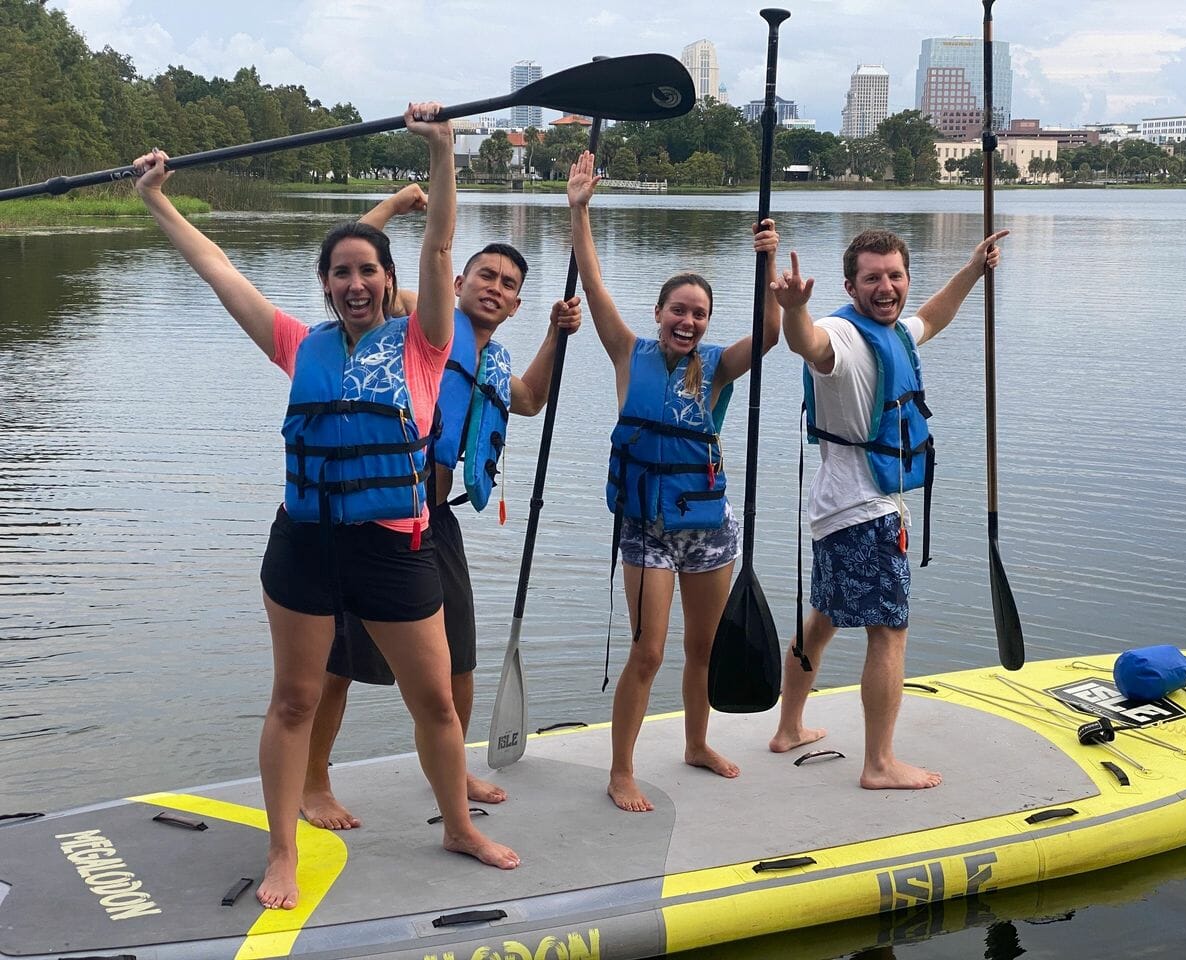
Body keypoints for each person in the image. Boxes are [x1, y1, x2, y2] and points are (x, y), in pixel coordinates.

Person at [133, 100, 520, 911]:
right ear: (326, 284)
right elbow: (218, 269)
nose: (355, 283)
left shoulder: (426, 344)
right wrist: (156, 200)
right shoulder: (296, 344)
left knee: (435, 702)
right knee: (295, 700)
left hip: (392, 549)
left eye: (367, 270)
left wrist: (442, 151)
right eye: (340, 272)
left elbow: (441, 242)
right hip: (304, 548)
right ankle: (283, 851)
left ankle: (458, 825)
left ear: (389, 281)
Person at [301, 186, 583, 830]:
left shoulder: (494, 358)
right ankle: (314, 781)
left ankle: (454, 770)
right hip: (370, 515)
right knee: (339, 663)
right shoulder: (417, 324)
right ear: (457, 282)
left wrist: (555, 334)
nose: (494, 287)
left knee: (459, 654)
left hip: (434, 520)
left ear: (514, 304)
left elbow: (531, 400)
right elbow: (354, 268)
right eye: (485, 275)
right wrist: (391, 208)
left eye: (508, 284)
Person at [566, 150, 781, 813]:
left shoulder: (716, 368)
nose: (688, 322)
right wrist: (579, 211)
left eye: (699, 314)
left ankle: (696, 744)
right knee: (649, 651)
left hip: (708, 530)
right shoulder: (627, 352)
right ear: (659, 312)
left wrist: (768, 262)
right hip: (646, 528)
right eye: (678, 311)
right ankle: (621, 770)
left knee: (703, 648)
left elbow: (769, 336)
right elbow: (594, 286)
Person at [766, 227, 1009, 790]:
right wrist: (794, 310)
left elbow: (932, 318)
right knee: (889, 632)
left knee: (822, 620)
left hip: (835, 509)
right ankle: (879, 764)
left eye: (895, 276)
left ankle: (789, 728)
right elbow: (808, 344)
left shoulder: (894, 332)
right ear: (850, 286)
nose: (886, 287)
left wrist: (972, 269)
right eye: (872, 277)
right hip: (865, 512)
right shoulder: (840, 336)